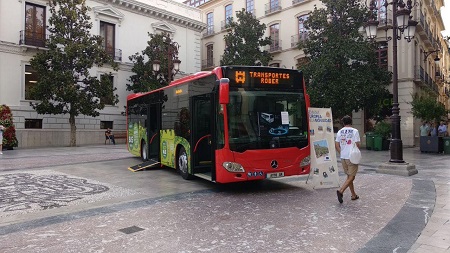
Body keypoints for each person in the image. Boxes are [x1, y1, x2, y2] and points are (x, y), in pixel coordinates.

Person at [335, 115, 361, 203]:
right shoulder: (355, 131)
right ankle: (341, 191)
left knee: (349, 176)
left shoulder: (339, 132)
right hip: (352, 157)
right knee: (352, 177)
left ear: (343, 123)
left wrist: (342, 152)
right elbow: (357, 144)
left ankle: (353, 195)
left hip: (343, 157)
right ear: (351, 122)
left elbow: (337, 145)